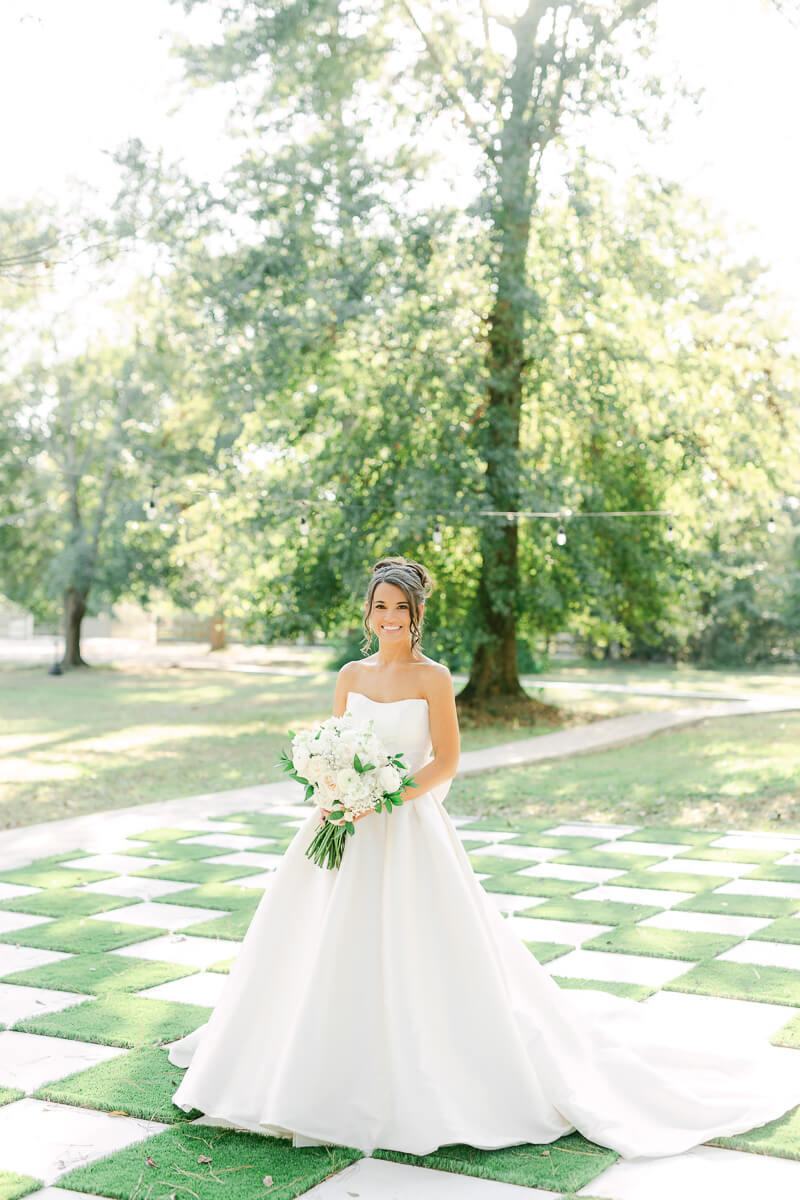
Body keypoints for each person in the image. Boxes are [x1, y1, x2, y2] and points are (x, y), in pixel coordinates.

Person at [168, 555, 800, 1159]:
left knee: (420, 949)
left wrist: (383, 794)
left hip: (406, 825)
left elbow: (445, 761)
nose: (389, 617)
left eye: (401, 608)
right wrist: (335, 789)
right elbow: (334, 741)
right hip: (340, 824)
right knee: (313, 940)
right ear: (367, 613)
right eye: (379, 606)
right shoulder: (350, 678)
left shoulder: (434, 678)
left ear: (417, 615)